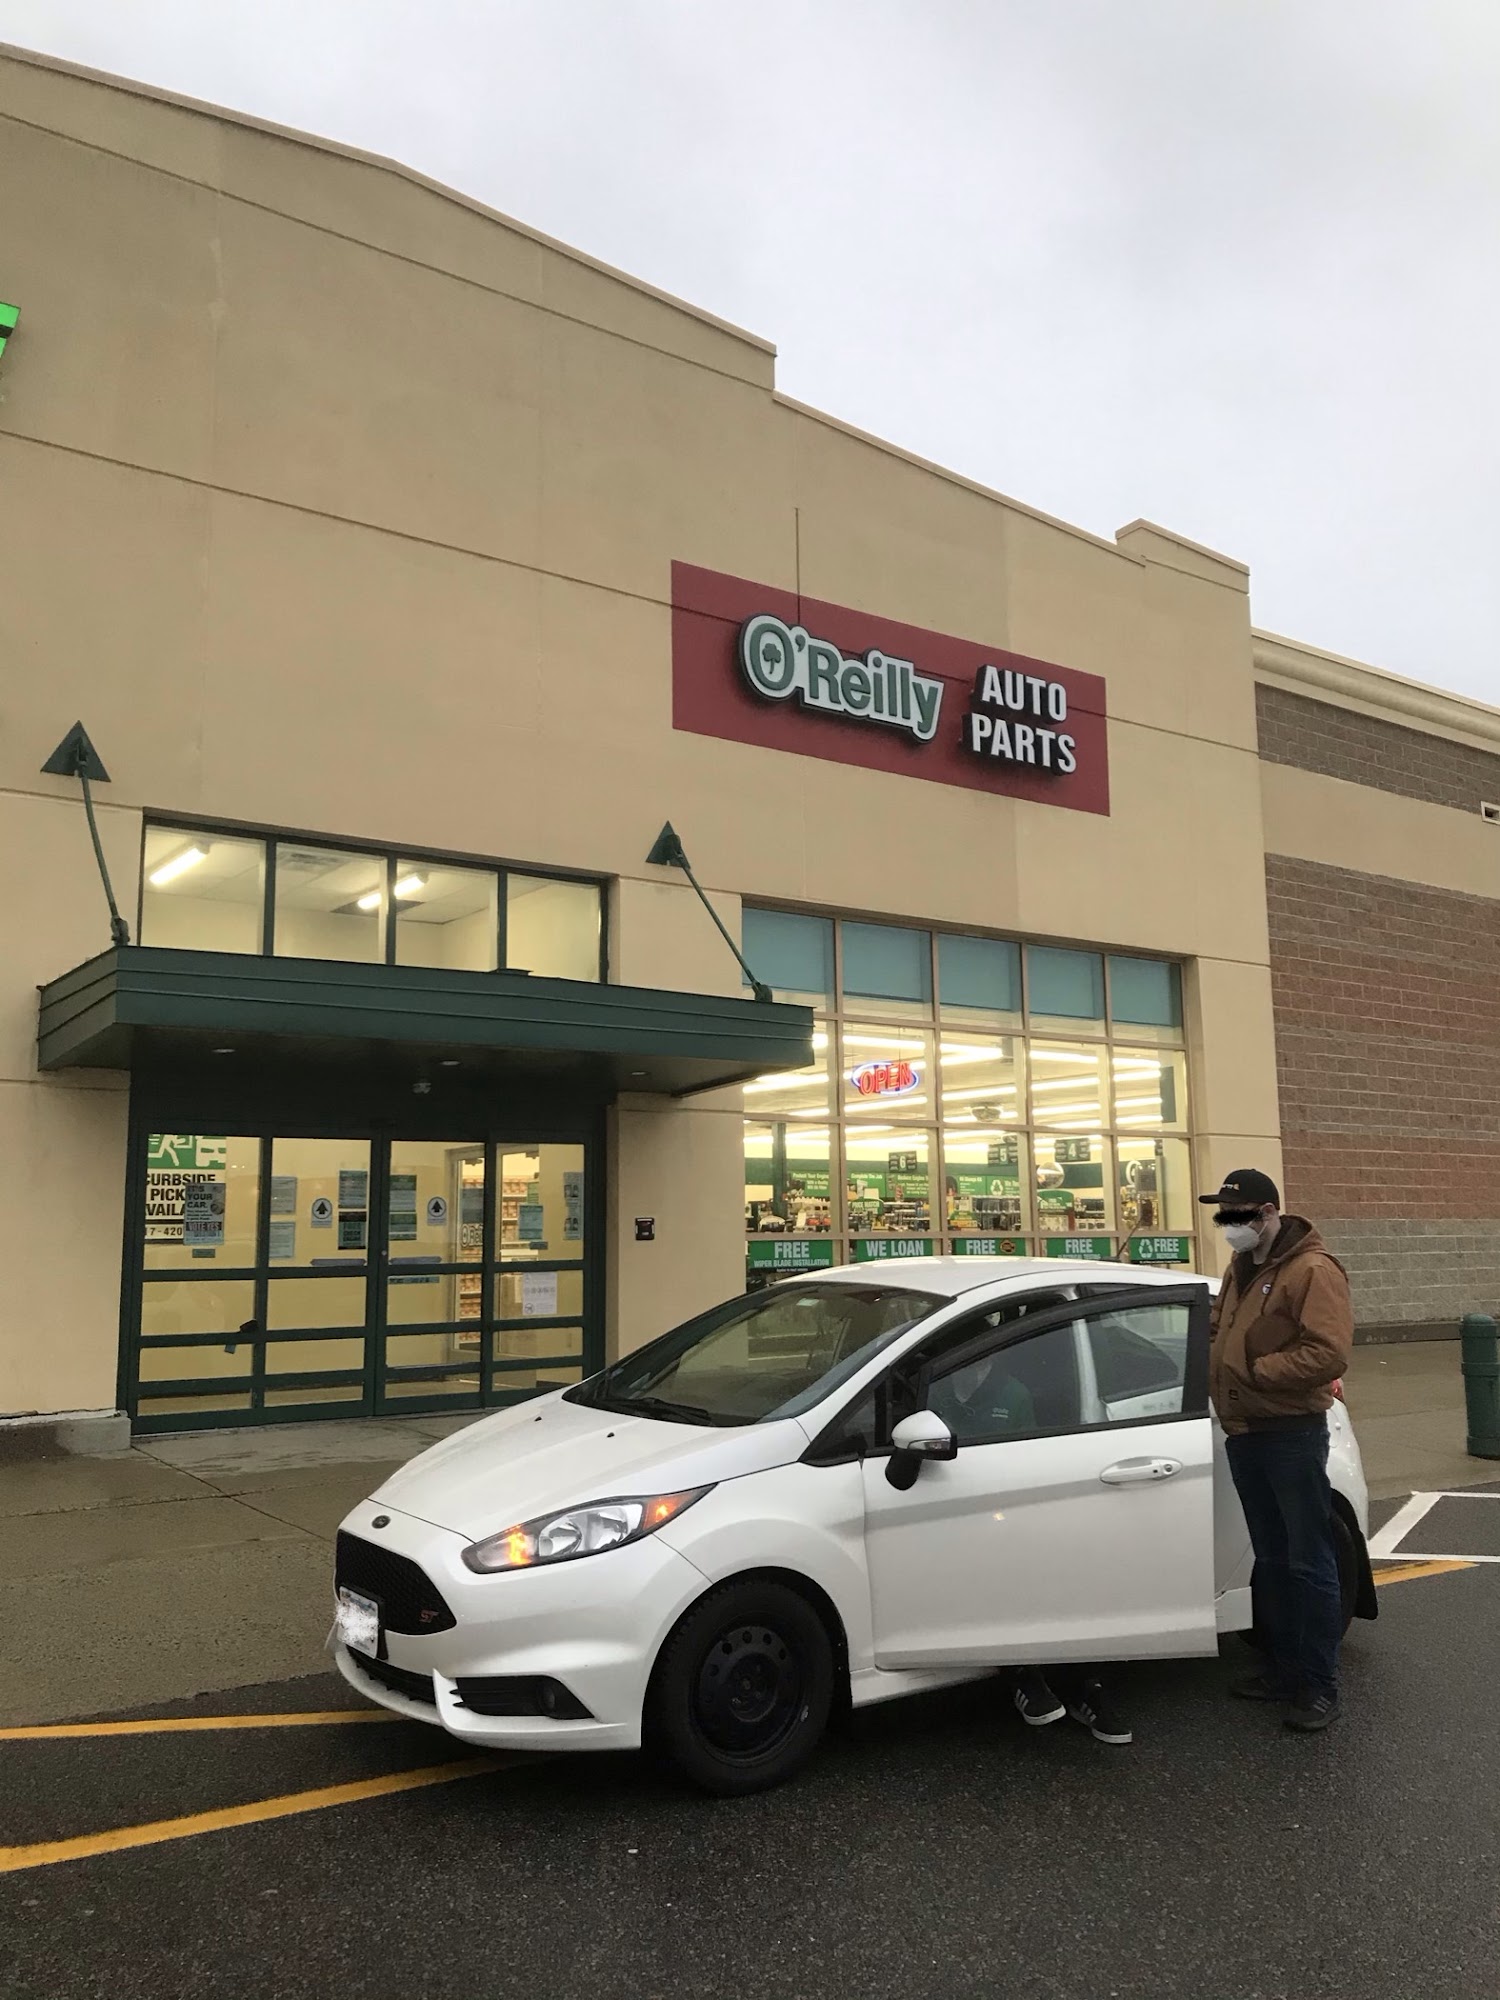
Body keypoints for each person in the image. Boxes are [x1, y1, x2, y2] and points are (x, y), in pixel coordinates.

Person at [1199, 1167, 1354, 1732]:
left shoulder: (1313, 1270)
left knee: (1309, 1561)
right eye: (1223, 1215)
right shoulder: (1240, 1267)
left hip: (1291, 1433)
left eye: (1237, 1215)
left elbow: (1329, 1352)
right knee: (1272, 1560)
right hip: (1245, 1432)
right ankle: (1284, 1669)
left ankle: (1318, 1684)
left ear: (1267, 1213)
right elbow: (1217, 1329)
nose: (1228, 1225)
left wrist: (1257, 1372)